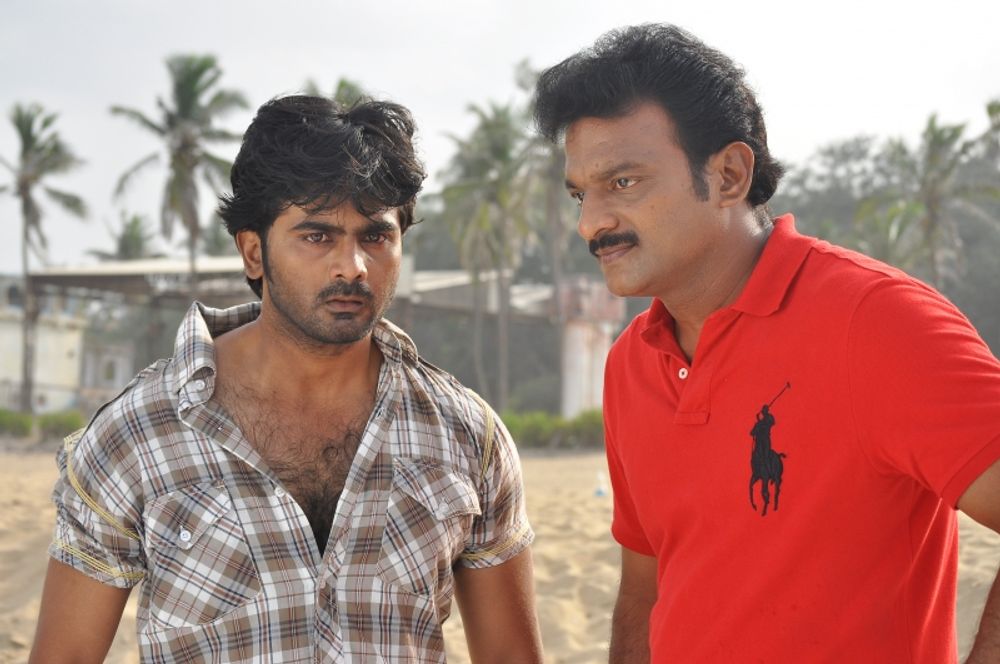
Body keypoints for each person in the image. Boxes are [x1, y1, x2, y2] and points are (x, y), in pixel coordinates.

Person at [533, 23, 1000, 663]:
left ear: (728, 175)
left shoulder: (875, 321)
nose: (591, 223)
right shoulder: (630, 363)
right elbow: (646, 588)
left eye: (623, 182)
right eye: (580, 194)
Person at [30, 94, 543, 663]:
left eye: (375, 236)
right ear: (253, 252)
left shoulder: (465, 434)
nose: (353, 266)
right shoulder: (137, 435)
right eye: (317, 236)